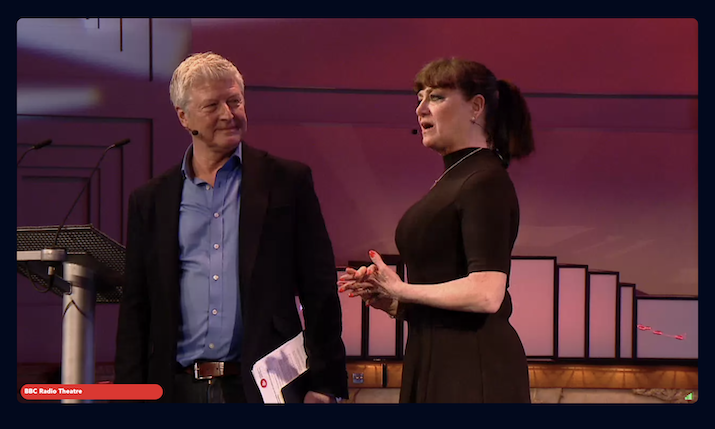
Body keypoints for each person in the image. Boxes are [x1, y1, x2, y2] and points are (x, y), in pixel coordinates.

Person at [115, 52, 348, 403]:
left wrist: (327, 383)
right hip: (176, 390)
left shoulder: (287, 182)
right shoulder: (150, 200)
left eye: (235, 101)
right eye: (212, 106)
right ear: (184, 116)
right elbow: (136, 307)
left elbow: (320, 289)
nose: (228, 114)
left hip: (265, 390)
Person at [338, 57, 534, 403]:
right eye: (419, 98)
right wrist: (394, 302)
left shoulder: (484, 180)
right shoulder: (458, 178)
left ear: (476, 107)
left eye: (437, 97)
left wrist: (402, 289)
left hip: (472, 370)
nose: (420, 109)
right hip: (439, 359)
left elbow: (486, 293)